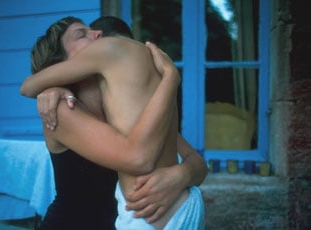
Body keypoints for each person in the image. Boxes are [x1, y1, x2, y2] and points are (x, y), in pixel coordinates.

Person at [21, 16, 206, 229]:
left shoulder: (126, 109)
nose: (99, 35)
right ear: (61, 66)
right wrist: (170, 78)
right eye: (81, 34)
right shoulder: (60, 108)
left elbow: (197, 162)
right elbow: (139, 158)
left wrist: (182, 175)